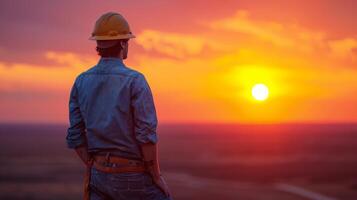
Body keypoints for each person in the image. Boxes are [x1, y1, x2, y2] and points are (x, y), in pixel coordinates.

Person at [65, 12, 172, 200]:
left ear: (98, 45)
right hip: (132, 175)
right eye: (128, 41)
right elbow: (146, 135)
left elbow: (75, 135)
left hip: (98, 177)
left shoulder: (81, 81)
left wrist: (95, 165)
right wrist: (156, 176)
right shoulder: (135, 81)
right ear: (123, 43)